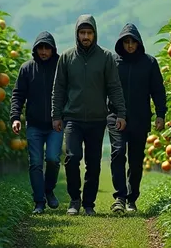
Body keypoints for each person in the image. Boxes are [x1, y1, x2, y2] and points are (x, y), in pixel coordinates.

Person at [51, 14, 126, 216]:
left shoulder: (106, 57)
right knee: (72, 157)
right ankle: (74, 200)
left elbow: (114, 88)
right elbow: (58, 89)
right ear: (77, 34)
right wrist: (56, 115)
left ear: (95, 34)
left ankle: (89, 204)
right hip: (72, 118)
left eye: (89, 33)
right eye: (82, 33)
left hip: (97, 119)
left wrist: (120, 113)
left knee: (93, 163)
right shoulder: (66, 58)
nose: (86, 36)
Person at [107, 23, 167, 214]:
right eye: (126, 42)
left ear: (138, 42)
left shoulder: (149, 63)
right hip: (115, 117)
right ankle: (120, 197)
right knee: (117, 153)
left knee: (135, 160)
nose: (130, 45)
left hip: (140, 118)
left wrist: (160, 114)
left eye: (133, 42)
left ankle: (132, 199)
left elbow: (158, 90)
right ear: (121, 43)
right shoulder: (113, 63)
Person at [10, 31, 63, 214]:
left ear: (53, 49)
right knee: (35, 163)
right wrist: (15, 117)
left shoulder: (60, 67)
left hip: (55, 125)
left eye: (47, 48)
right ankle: (39, 202)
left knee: (53, 159)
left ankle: (48, 190)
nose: (43, 51)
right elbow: (18, 95)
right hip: (34, 125)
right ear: (35, 49)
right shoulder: (26, 68)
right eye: (40, 48)